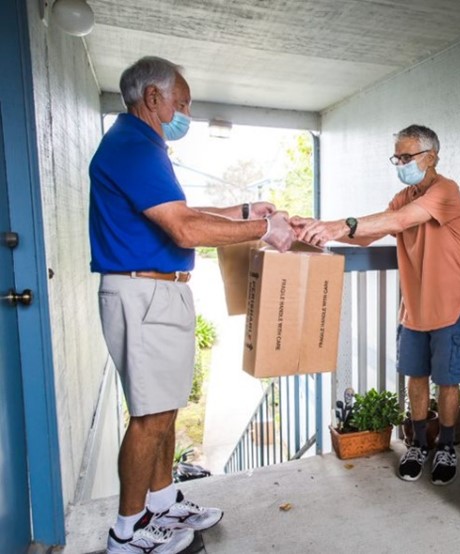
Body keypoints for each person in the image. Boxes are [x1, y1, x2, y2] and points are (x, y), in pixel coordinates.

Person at [88, 56, 294, 554]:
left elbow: (182, 212)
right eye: (181, 102)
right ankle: (128, 531)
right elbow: (185, 229)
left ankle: (160, 503)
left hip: (158, 290)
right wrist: (263, 229)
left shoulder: (142, 145)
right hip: (145, 292)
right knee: (149, 418)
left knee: (165, 409)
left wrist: (244, 212)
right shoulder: (133, 147)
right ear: (152, 98)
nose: (185, 111)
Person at [292, 124, 460, 486]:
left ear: (431, 157)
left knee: (449, 382)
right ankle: (419, 444)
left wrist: (338, 225)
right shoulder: (402, 196)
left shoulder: (446, 191)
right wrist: (316, 230)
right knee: (415, 378)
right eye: (398, 157)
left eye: (407, 156)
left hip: (454, 306)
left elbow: (401, 221)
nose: (401, 163)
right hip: (414, 308)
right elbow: (372, 234)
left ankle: (447, 445)